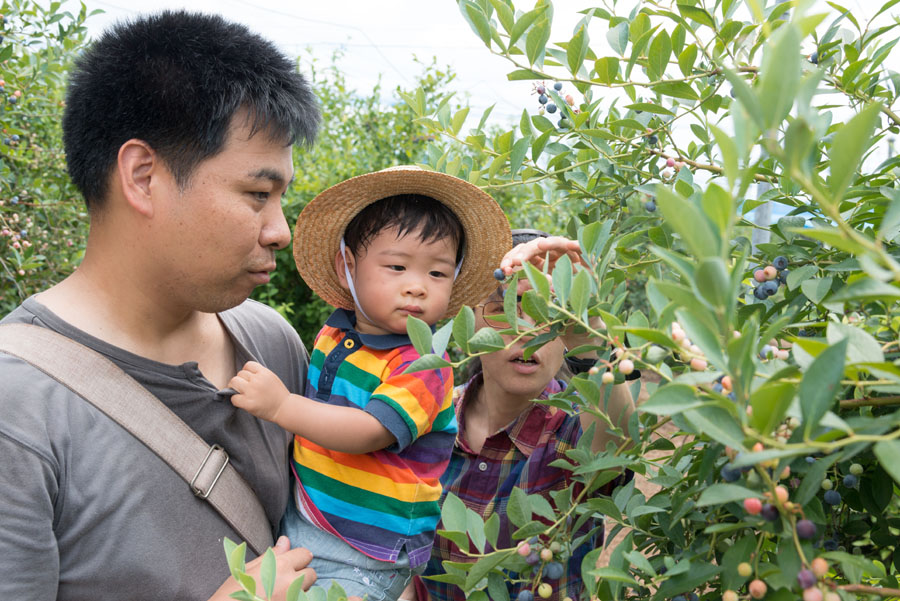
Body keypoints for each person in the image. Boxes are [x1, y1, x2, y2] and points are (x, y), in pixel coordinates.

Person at [0, 11, 324, 601]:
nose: (279, 230)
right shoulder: (18, 409)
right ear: (143, 176)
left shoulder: (271, 342)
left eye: (282, 197)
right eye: (257, 194)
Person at [226, 166, 513, 601]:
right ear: (347, 269)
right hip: (309, 517)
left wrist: (281, 407)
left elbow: (368, 432)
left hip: (367, 552)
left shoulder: (426, 367)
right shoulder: (335, 335)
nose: (416, 287)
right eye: (397, 267)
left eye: (436, 274)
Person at [409, 229, 637, 601]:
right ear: (469, 325)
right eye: (502, 309)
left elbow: (621, 441)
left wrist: (589, 330)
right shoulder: (426, 419)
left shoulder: (575, 430)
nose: (524, 329)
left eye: (545, 312)